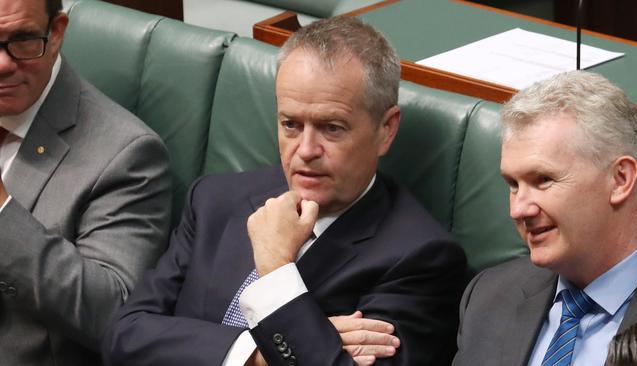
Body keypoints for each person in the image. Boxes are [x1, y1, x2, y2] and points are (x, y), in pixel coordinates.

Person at [103, 16, 466, 366]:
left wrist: (276, 269)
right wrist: (258, 354)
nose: (305, 150)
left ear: (386, 129)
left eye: (332, 128)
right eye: (291, 124)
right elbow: (126, 336)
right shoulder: (214, 200)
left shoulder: (421, 259)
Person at [0, 0, 171, 365]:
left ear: (57, 31)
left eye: (23, 40)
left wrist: (1, 211)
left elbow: (114, 314)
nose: (2, 64)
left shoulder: (127, 154)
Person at [452, 70, 637, 366]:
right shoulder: (488, 298)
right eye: (513, 185)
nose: (518, 210)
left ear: (620, 179)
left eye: (543, 180)